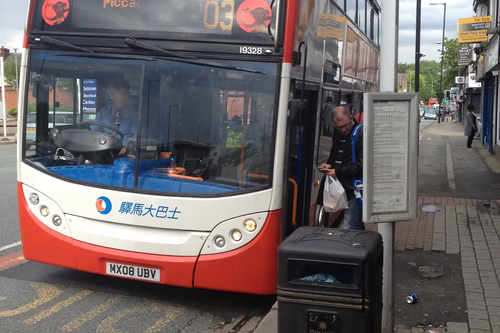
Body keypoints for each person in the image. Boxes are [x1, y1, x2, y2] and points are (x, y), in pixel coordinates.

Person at [319, 105, 363, 230]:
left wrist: (337, 172)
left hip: (353, 188)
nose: (343, 130)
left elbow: (361, 165)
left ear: (351, 118)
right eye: (339, 127)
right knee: (356, 225)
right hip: (341, 186)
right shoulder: (337, 133)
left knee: (349, 227)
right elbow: (334, 154)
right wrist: (329, 165)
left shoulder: (361, 133)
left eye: (345, 125)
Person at [92, 79, 137, 155]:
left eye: (126, 93)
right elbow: (93, 132)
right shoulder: (103, 112)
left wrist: (126, 148)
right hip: (104, 149)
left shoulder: (134, 114)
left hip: (125, 152)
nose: (125, 97)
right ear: (112, 95)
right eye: (121, 94)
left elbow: (136, 137)